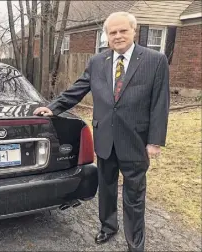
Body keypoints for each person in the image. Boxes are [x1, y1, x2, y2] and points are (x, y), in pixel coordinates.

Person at [34, 12, 170, 252]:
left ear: (133, 31)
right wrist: (52, 107)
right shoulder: (98, 62)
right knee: (106, 187)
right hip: (105, 138)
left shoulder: (155, 60)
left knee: (134, 195)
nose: (117, 36)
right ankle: (108, 227)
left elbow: (161, 103)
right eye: (112, 32)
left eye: (122, 31)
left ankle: (135, 243)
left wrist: (155, 141)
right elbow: (78, 88)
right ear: (107, 36)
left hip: (135, 141)